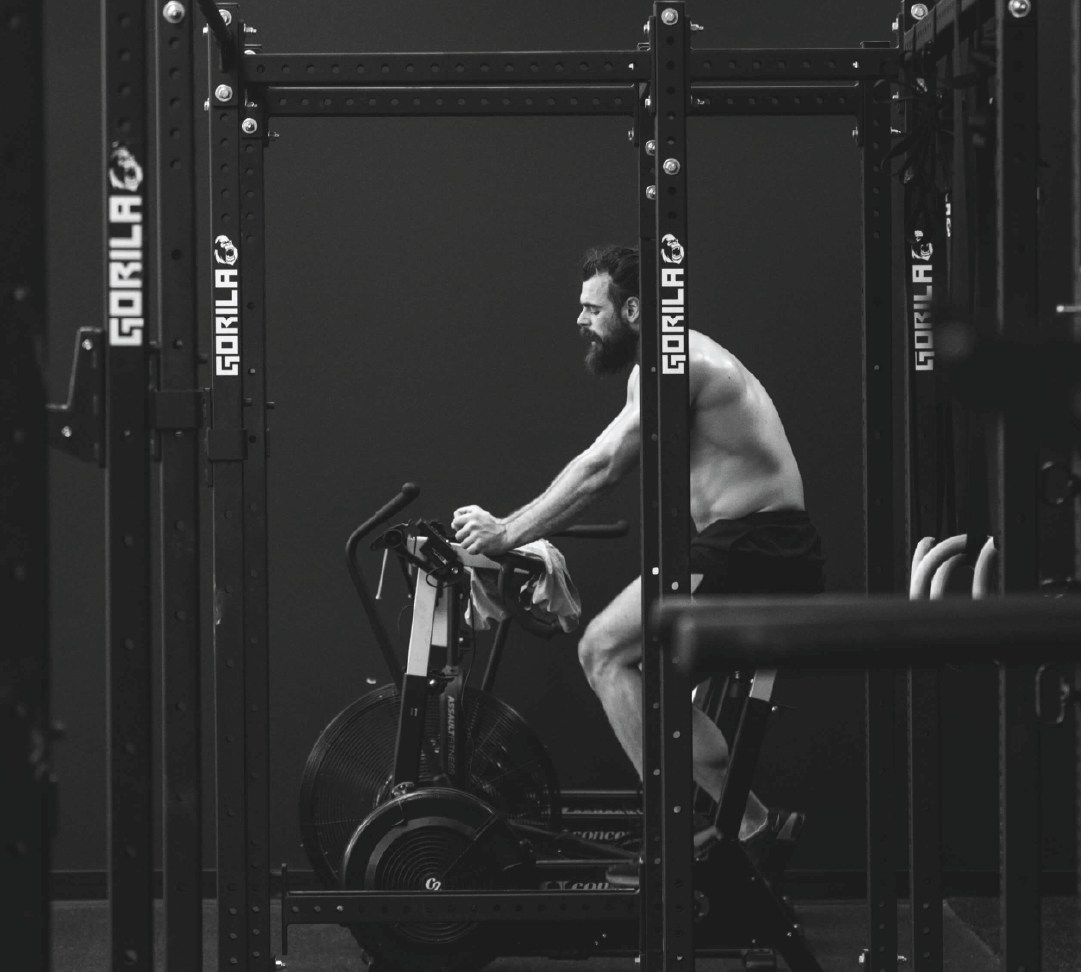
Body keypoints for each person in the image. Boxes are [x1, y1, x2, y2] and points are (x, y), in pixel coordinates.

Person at [451, 244, 825, 887]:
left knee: (605, 651)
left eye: (591, 307)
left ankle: (705, 841)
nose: (579, 319)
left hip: (758, 547)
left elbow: (600, 467)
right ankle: (754, 829)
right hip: (743, 546)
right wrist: (514, 535)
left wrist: (506, 531)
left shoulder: (679, 363)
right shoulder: (663, 364)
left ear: (632, 309)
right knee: (640, 677)